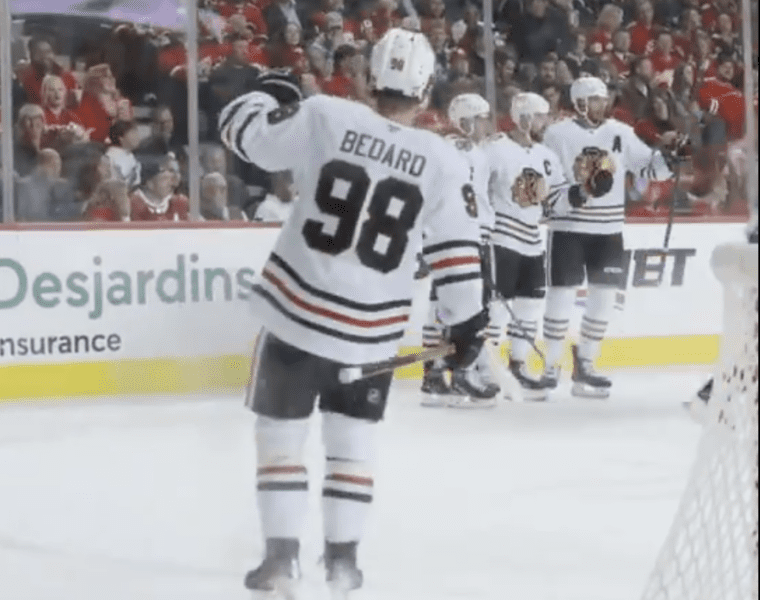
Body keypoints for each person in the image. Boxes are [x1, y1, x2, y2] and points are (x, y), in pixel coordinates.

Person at [218, 28, 487, 597]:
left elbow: (245, 137)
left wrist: (266, 92)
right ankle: (343, 566)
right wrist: (466, 325)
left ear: (369, 78)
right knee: (352, 446)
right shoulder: (443, 159)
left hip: (295, 315)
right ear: (426, 88)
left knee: (280, 438)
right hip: (371, 336)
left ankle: (280, 565)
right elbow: (458, 257)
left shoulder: (326, 116)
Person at [539, 76, 672, 398]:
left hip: (609, 230)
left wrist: (671, 155)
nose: (602, 104)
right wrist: (568, 195)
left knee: (604, 300)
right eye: (595, 98)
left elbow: (649, 168)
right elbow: (546, 177)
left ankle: (586, 363)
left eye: (604, 98)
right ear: (580, 101)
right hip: (569, 228)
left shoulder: (621, 132)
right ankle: (550, 366)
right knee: (561, 297)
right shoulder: (557, 134)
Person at [485, 92, 568, 399]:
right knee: (496, 308)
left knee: (529, 305)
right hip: (502, 236)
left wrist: (584, 192)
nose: (546, 122)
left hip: (533, 238)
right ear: (525, 117)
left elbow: (558, 196)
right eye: (541, 115)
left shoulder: (546, 155)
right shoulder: (494, 149)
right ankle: (488, 369)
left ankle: (517, 365)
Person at [421, 92, 500, 408]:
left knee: (440, 306)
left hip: (442, 236)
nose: (486, 125)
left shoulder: (444, 148)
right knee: (469, 309)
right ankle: (462, 370)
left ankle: (434, 373)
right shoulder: (469, 151)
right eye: (481, 119)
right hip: (466, 235)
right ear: (466, 122)